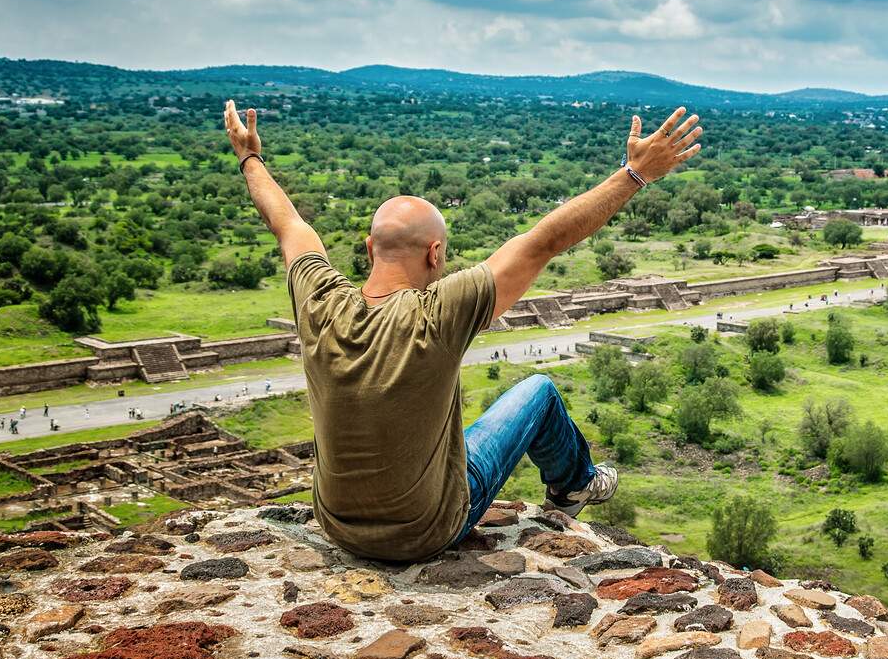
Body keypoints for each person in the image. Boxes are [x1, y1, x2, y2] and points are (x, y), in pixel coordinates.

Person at [224, 97, 703, 563]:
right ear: (435, 254)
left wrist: (249, 157)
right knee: (538, 392)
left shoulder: (320, 303)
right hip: (428, 530)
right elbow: (544, 241)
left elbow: (287, 223)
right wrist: (636, 174)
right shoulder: (439, 313)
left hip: (338, 526)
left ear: (370, 248)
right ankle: (576, 484)